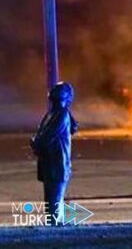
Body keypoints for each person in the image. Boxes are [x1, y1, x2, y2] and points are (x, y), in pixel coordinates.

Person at [31, 82, 78, 226]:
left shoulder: (58, 114)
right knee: (53, 197)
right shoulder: (57, 114)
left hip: (55, 162)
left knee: (54, 197)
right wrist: (36, 142)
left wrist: (35, 142)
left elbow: (47, 135)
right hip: (54, 162)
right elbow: (46, 135)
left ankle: (56, 223)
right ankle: (55, 224)